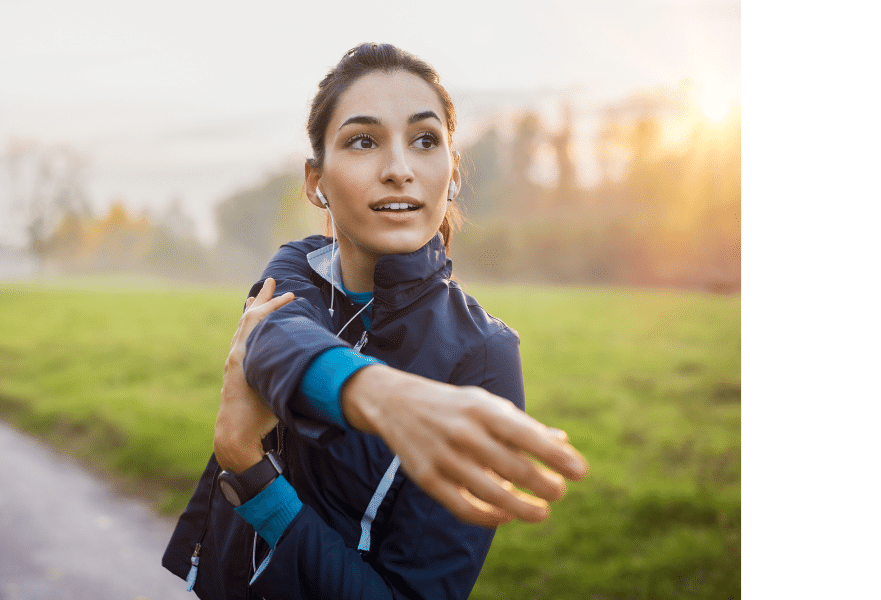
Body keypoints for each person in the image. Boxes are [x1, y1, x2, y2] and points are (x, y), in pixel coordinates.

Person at [164, 43, 587, 599]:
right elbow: (270, 336)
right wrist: (381, 395)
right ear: (316, 180)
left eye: (425, 141)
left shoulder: (483, 355)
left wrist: (251, 471)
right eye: (364, 141)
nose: (398, 170)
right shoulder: (299, 265)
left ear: (452, 174)